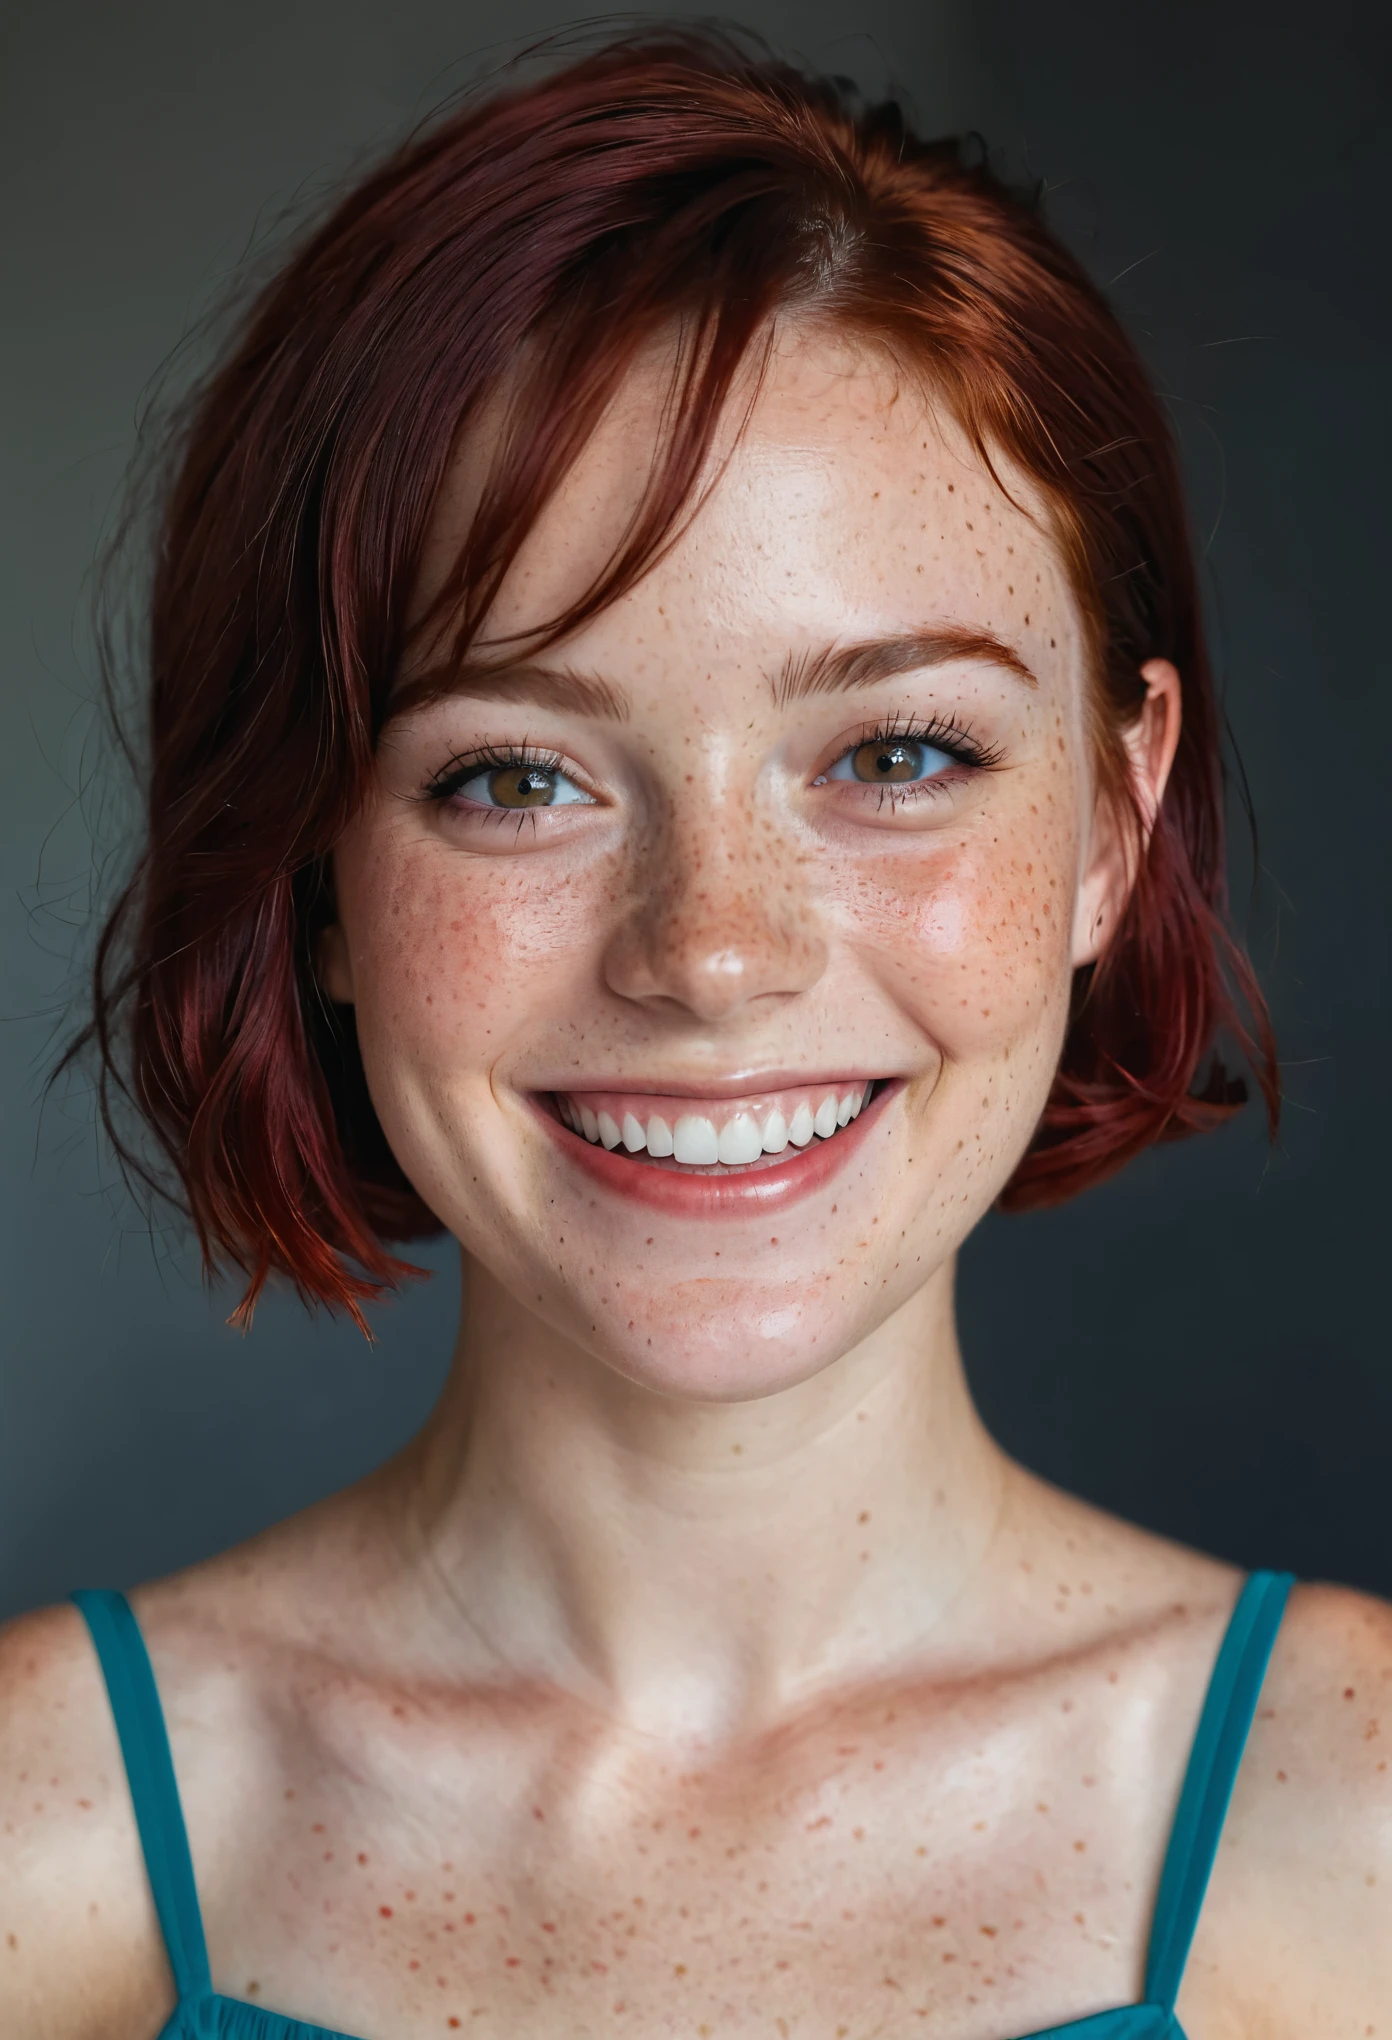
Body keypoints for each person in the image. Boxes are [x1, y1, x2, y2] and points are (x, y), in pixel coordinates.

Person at [2, 27, 1387, 2040]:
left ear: (1112, 817)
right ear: (309, 870)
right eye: (516, 777)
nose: (714, 957)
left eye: (899, 752)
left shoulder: (1355, 1824)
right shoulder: (41, 1847)